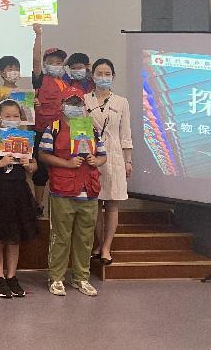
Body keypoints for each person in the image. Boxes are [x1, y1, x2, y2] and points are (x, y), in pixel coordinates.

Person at [39, 85, 107, 297]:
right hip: (63, 191)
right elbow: (43, 154)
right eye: (70, 103)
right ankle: (56, 278)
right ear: (62, 105)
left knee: (85, 238)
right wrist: (66, 163)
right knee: (60, 237)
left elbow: (103, 155)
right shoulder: (54, 128)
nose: (75, 107)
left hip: (89, 190)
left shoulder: (91, 128)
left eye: (78, 104)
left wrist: (96, 160)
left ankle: (81, 278)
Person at [0, 99, 39, 298]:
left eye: (15, 116)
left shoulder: (25, 138)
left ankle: (12, 276)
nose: (12, 119)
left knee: (14, 237)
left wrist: (29, 165)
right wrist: (0, 163)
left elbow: (34, 166)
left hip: (18, 191)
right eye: (7, 116)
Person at [84, 59, 133, 266]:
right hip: (92, 157)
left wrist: (128, 160)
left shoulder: (121, 102)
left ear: (113, 76)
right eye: (99, 73)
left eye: (107, 74)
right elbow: (79, 131)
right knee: (95, 203)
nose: (103, 77)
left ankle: (106, 247)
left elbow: (126, 134)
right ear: (92, 75)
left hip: (114, 157)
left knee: (112, 204)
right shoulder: (84, 100)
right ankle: (98, 243)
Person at [31, 23, 69, 215]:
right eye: (51, 61)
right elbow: (36, 59)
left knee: (60, 167)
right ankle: (38, 205)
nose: (55, 64)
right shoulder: (40, 79)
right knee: (40, 171)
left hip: (60, 131)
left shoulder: (66, 82)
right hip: (40, 130)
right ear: (45, 64)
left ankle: (60, 205)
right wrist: (38, 35)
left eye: (59, 62)